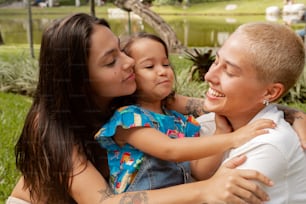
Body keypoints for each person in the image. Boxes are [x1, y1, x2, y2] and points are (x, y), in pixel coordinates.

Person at [6, 13, 306, 204]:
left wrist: (291, 115)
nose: (128, 63)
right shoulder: (52, 125)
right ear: (80, 80)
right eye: (111, 61)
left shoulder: (133, 94)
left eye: (122, 51)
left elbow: (222, 104)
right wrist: (204, 190)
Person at [94, 32, 276, 194]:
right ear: (131, 74)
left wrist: (221, 131)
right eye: (149, 67)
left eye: (165, 64)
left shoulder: (180, 122)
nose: (163, 71)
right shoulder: (128, 119)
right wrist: (234, 138)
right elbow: (170, 149)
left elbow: (199, 170)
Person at [197, 22, 306, 203]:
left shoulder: (269, 145)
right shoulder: (216, 121)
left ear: (270, 93)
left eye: (229, 71)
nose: (209, 76)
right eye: (215, 61)